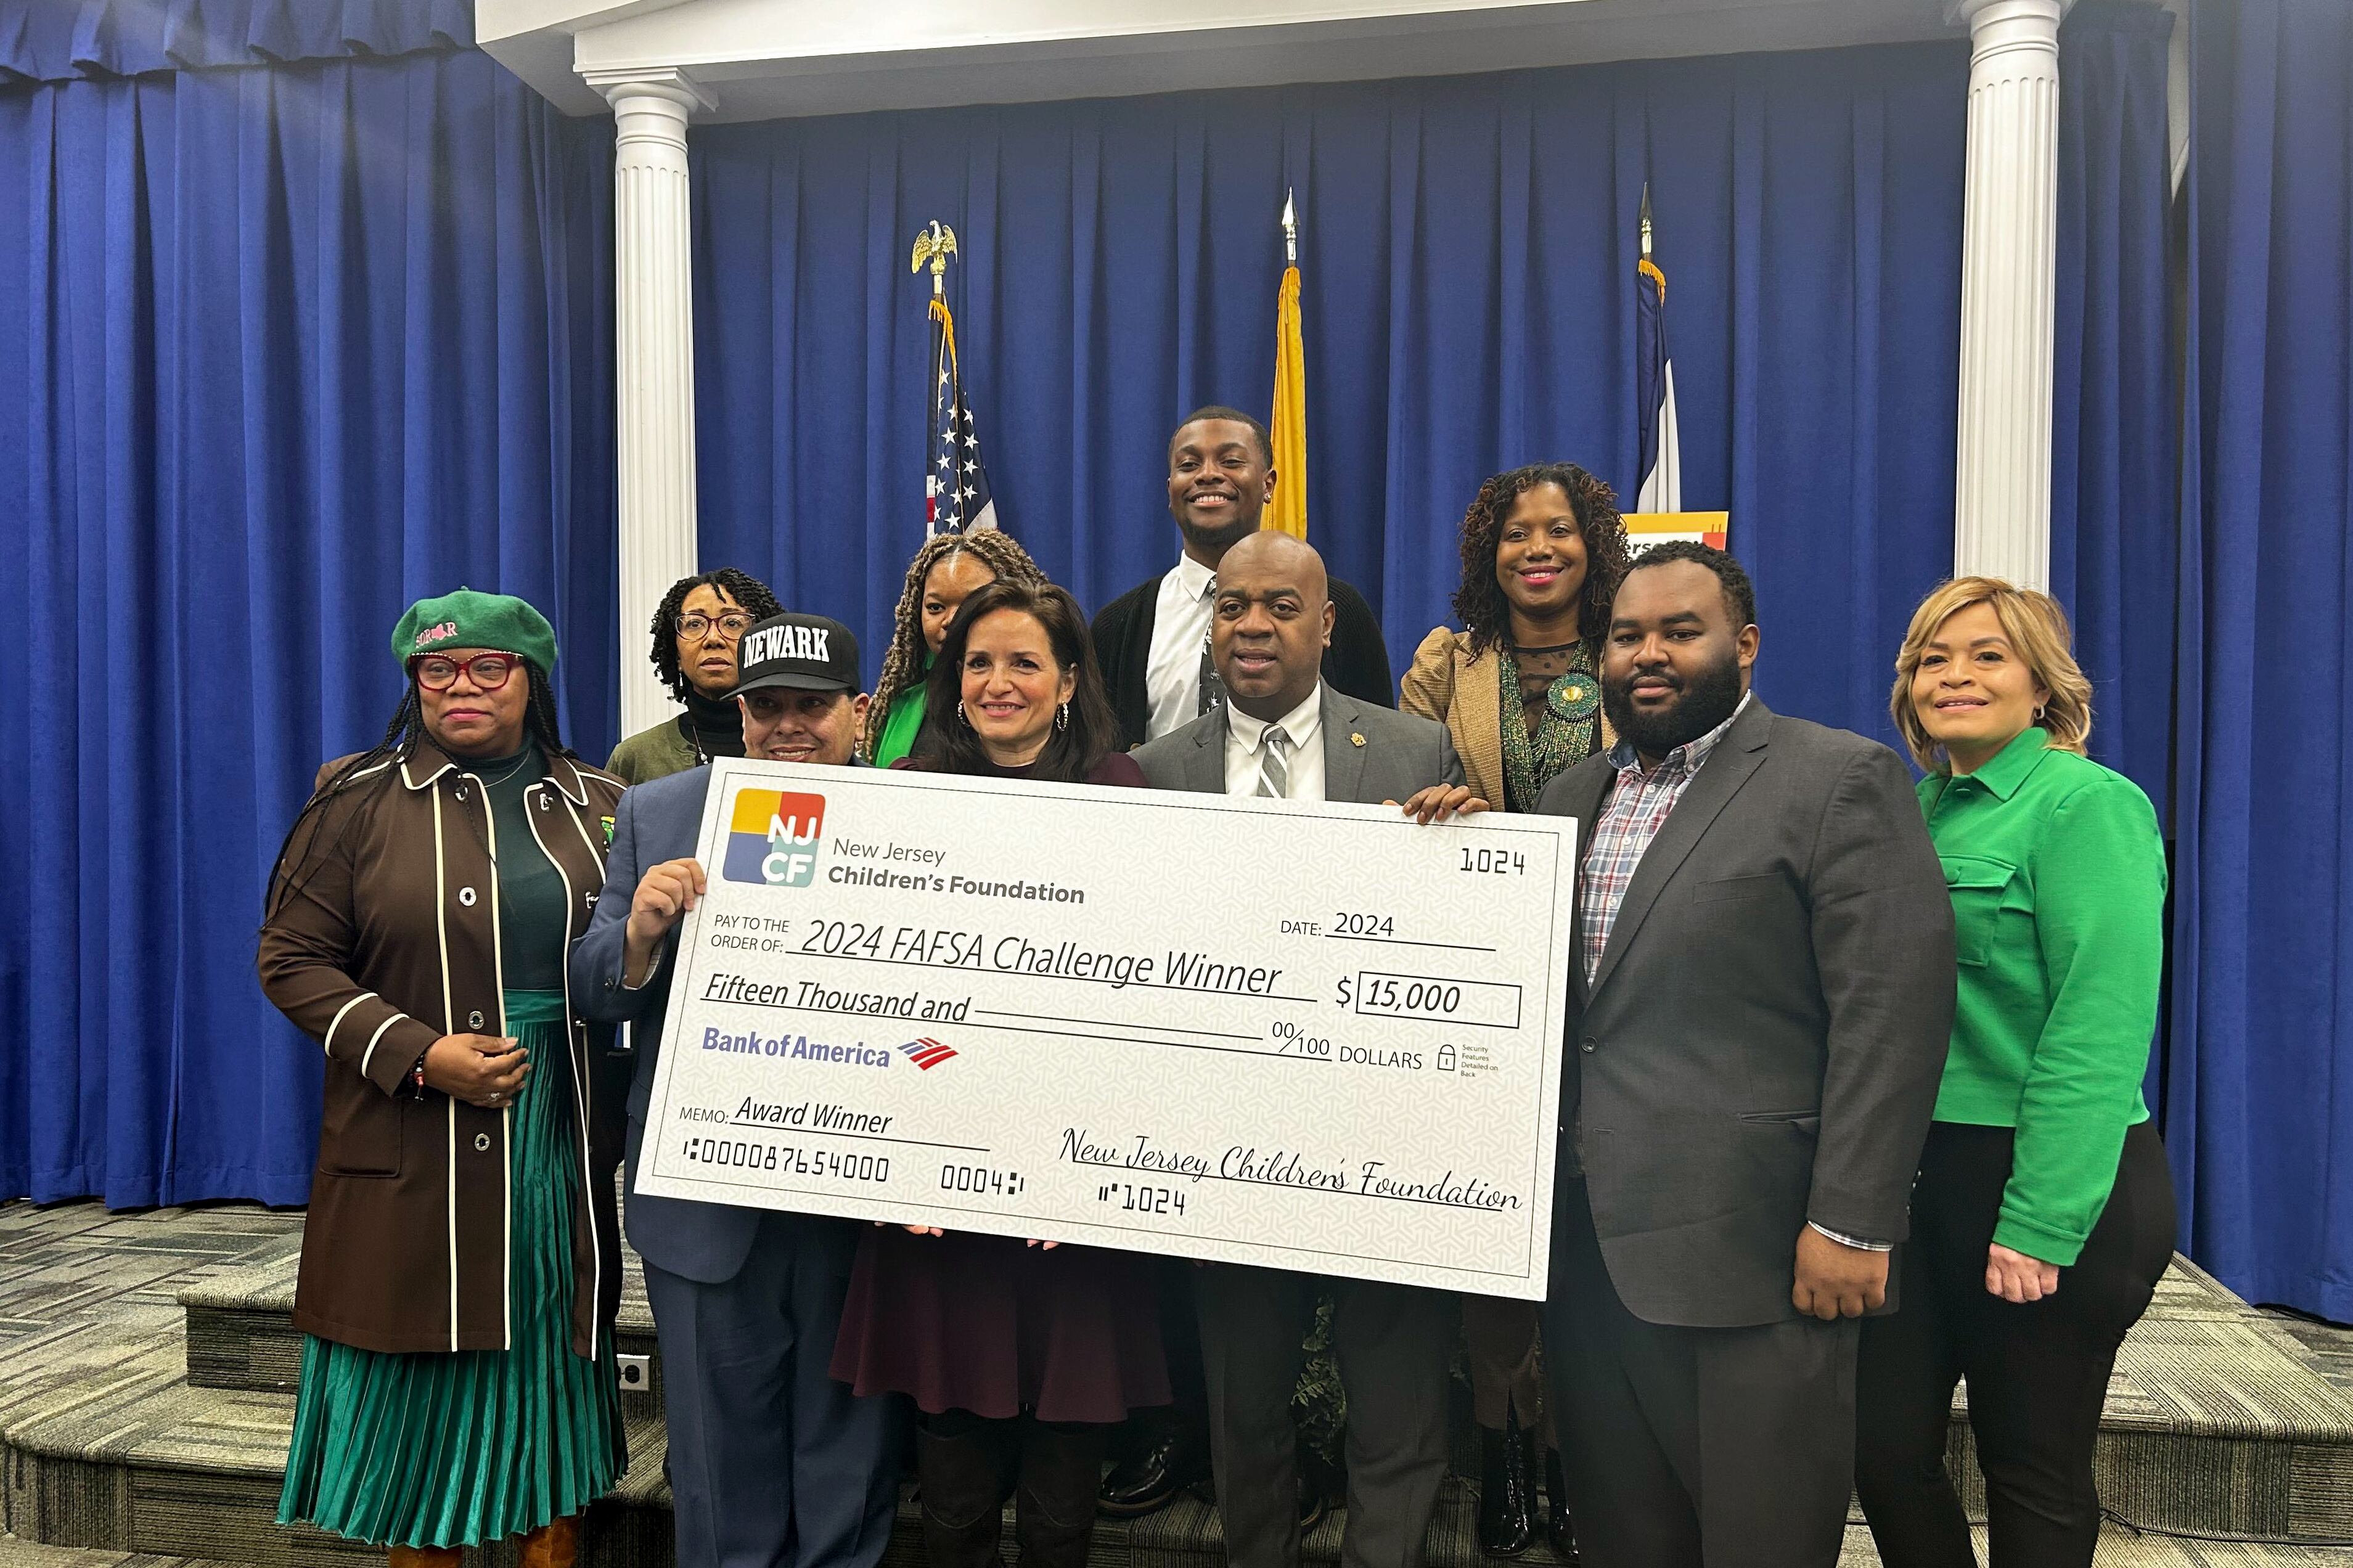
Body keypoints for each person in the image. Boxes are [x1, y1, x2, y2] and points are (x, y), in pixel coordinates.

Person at [1533, 542, 1955, 1568]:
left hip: (1759, 1256)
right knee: (1624, 1535)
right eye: (1628, 634)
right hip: (1585, 1248)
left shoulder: (1834, 778)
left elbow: (1890, 1011)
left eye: (1681, 631)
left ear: (1745, 645)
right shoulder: (1567, 795)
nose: (1649, 653)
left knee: (1760, 1539)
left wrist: (1853, 1218)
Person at [259, 590, 629, 1568]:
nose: (461, 686)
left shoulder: (602, 806)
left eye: (487, 667)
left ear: (530, 679)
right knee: (426, 1397)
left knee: (549, 1357)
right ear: (414, 682)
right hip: (414, 1134)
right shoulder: (352, 802)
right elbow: (291, 961)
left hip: (555, 1128)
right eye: (438, 670)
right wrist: (420, 1054)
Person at [1132, 531, 1469, 1568]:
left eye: (1281, 606)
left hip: (1383, 1140)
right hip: (1226, 1143)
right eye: (1233, 606)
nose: (1253, 626)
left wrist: (1479, 841)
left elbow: (1463, 932)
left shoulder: (1414, 751)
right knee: (1245, 1403)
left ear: (1326, 624)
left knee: (1397, 1398)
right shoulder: (1153, 773)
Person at [830, 578, 1169, 1568]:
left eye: (1024, 661)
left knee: (1065, 1494)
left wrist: (1079, 1164)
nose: (998, 681)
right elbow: (874, 991)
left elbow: (1146, 996)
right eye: (978, 662)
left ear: (1068, 680)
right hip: (938, 1204)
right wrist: (907, 1153)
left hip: (1074, 1208)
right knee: (954, 1489)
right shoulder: (900, 798)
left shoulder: (1125, 796)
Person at [1855, 579, 2175, 1568]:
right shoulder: (1911, 811)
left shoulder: (2089, 808)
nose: (1954, 676)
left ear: (2041, 685)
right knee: (1882, 1449)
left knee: (2029, 1469)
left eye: (1987, 655)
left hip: (2045, 1177)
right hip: (1918, 1178)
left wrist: (2040, 1217)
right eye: (1930, 660)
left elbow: (2099, 1028)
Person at [571, 611, 902, 1568]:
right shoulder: (660, 812)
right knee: (718, 1464)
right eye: (766, 709)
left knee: (850, 1454)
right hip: (707, 1197)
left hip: (855, 1193)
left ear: (860, 711)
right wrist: (638, 931)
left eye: (813, 706)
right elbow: (592, 985)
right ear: (738, 712)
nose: (788, 727)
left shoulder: (918, 827)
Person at [1398, 462, 1630, 1560]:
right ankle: (1500, 1449)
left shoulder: (1631, 649)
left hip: (1614, 981)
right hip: (1483, 985)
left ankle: (1569, 1453)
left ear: (1592, 542)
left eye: (1558, 529)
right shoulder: (1451, 663)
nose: (1536, 548)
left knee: (1584, 1237)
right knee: (1492, 1232)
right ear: (1487, 552)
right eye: (1514, 532)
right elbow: (1402, 792)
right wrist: (1447, 808)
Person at [1092, 406, 1394, 749]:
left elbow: (1377, 748)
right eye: (1188, 465)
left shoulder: (1338, 610)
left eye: (1231, 462)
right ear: (1170, 489)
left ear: (1268, 484)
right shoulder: (1118, 627)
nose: (1207, 475)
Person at [867, 530, 1049, 767]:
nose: (950, 620)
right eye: (935, 607)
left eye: (970, 604)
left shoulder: (1042, 701)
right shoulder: (900, 705)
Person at [607, 567, 785, 782]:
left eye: (732, 623)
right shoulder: (635, 759)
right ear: (677, 656)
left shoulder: (796, 745)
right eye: (694, 624)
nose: (713, 639)